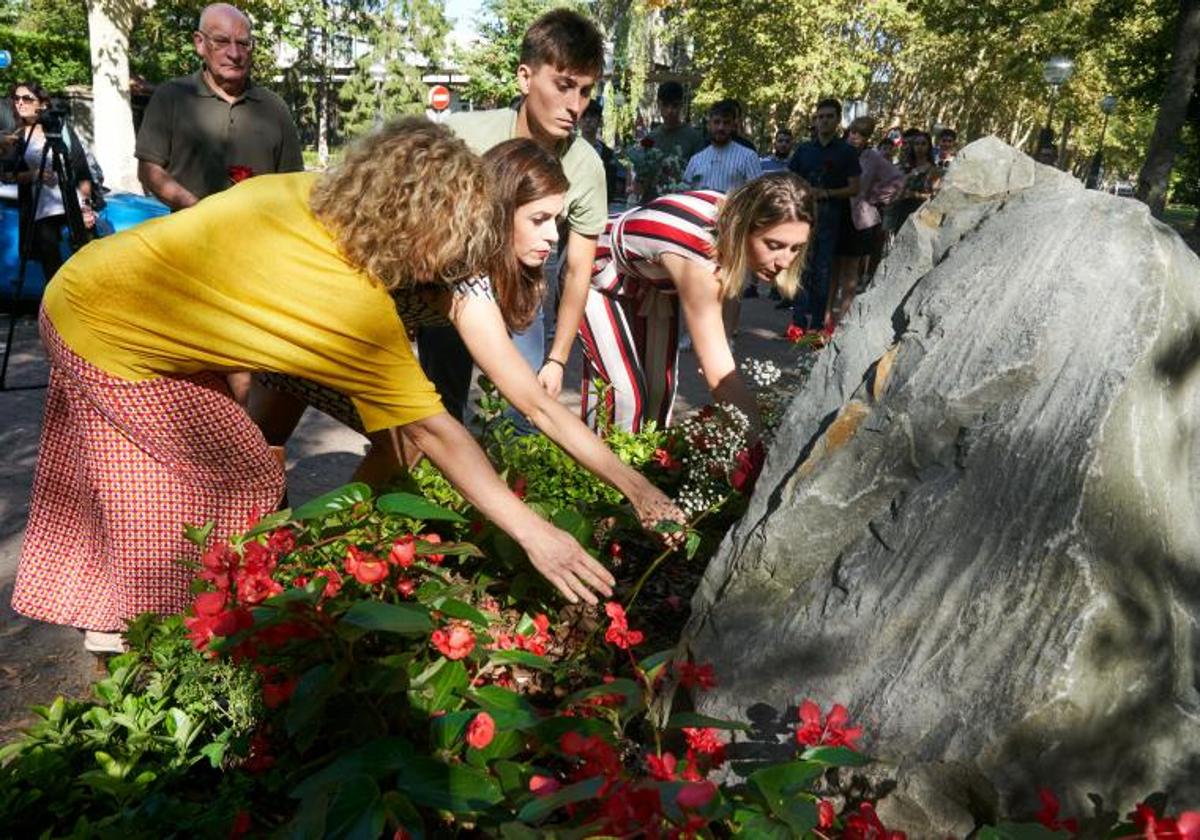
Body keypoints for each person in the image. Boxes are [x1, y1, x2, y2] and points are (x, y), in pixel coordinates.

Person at [13, 118, 617, 656]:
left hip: (109, 293)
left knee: (181, 479)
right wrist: (538, 535)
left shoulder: (311, 194)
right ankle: (147, 633)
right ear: (417, 221)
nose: (456, 257)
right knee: (229, 480)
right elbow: (434, 430)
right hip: (106, 330)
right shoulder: (348, 300)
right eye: (452, 236)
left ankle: (149, 613)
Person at [251, 139, 685, 535]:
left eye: (556, 219)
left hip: (329, 332)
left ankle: (316, 547)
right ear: (498, 211)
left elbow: (535, 403)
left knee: (362, 441)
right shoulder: (454, 260)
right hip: (301, 319)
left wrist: (636, 486)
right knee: (265, 449)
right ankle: (309, 550)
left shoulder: (472, 276)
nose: (554, 236)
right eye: (539, 219)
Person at [416, 8, 607, 425]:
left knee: (524, 416)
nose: (575, 106)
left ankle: (511, 489)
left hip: (521, 292)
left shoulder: (587, 166)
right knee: (436, 414)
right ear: (525, 77)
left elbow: (577, 271)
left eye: (586, 91)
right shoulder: (462, 135)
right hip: (448, 288)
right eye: (563, 86)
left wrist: (557, 359)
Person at [578, 172, 814, 435]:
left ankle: (646, 469)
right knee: (624, 397)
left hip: (651, 283)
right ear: (746, 226)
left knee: (659, 394)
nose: (785, 261)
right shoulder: (697, 256)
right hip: (593, 268)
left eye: (795, 248)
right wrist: (763, 440)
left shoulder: (733, 216)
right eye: (774, 245)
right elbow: (718, 375)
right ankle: (599, 471)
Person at [136, 3, 303, 211]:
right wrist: (200, 211)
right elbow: (148, 170)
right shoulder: (172, 97)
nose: (234, 53)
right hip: (189, 237)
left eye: (243, 43)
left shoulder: (274, 108)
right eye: (222, 41)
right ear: (199, 43)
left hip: (257, 238)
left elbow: (293, 183)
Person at [4, 82, 95, 281]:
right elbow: (9, 175)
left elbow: (82, 171)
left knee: (86, 260)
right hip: (42, 210)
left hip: (73, 203)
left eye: (27, 98)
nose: (20, 103)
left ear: (43, 104)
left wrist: (87, 206)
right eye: (16, 99)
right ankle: (56, 305)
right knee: (51, 264)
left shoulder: (62, 130)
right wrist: (33, 175)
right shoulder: (17, 137)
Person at [785, 97, 860, 334]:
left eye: (829, 117)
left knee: (823, 270)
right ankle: (797, 322)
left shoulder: (847, 152)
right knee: (801, 266)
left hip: (831, 218)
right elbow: (791, 179)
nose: (824, 121)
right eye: (820, 117)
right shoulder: (804, 150)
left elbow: (855, 188)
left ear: (838, 120)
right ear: (814, 120)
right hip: (803, 216)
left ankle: (817, 324)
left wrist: (826, 193)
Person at [829, 116, 903, 327]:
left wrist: (874, 197)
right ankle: (824, 323)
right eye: (853, 131)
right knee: (832, 271)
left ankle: (841, 324)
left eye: (862, 134)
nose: (855, 137)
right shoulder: (839, 152)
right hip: (835, 213)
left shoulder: (873, 158)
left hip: (858, 218)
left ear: (868, 137)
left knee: (850, 274)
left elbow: (897, 179)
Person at [683, 100, 762, 193]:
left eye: (726, 123)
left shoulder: (748, 157)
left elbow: (758, 195)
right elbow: (685, 193)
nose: (721, 127)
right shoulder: (696, 160)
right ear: (709, 125)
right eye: (716, 122)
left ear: (733, 126)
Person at [892, 128, 941, 233]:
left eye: (923, 144)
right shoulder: (905, 168)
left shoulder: (933, 170)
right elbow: (895, 194)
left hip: (921, 215)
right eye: (917, 144)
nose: (920, 147)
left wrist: (915, 194)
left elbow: (935, 197)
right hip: (902, 213)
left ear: (928, 147)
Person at [579, 100, 618, 205]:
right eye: (584, 116)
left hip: (599, 207)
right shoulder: (569, 148)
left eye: (592, 116)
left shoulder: (608, 154)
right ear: (578, 120)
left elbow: (610, 185)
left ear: (600, 122)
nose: (587, 120)